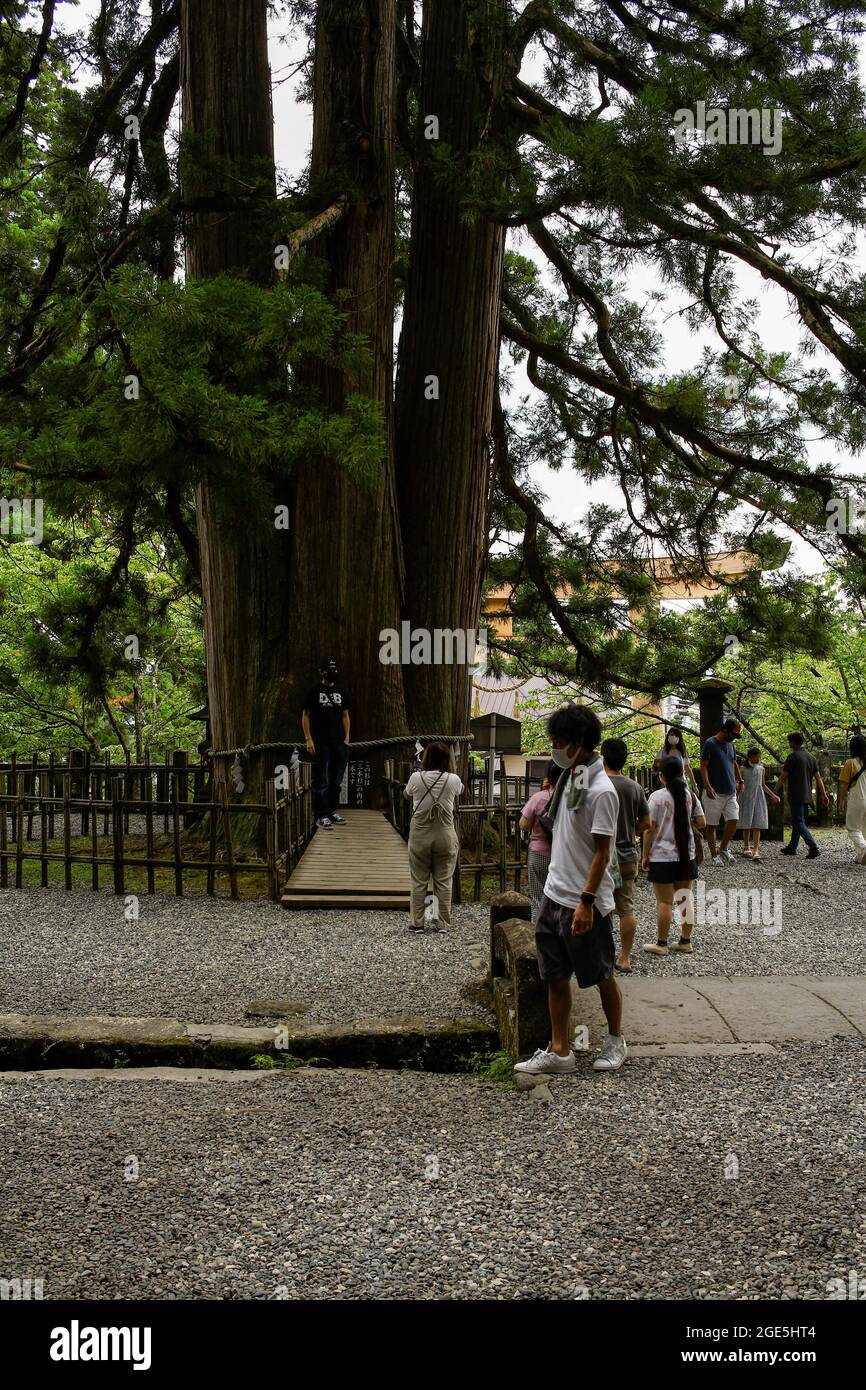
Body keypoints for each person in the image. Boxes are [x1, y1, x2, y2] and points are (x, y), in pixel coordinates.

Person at [514, 704, 627, 1077]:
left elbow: (602, 852)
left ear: (578, 744)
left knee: (600, 974)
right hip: (554, 893)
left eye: (558, 742)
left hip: (584, 902)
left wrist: (587, 902)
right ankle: (560, 1050)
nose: (553, 748)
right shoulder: (570, 779)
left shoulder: (601, 790)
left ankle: (615, 1040)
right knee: (555, 976)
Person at [642, 754, 706, 956]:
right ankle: (685, 941)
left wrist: (644, 855)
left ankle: (662, 944)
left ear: (661, 776)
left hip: (661, 857)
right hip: (687, 855)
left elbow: (649, 829)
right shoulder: (690, 796)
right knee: (685, 899)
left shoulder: (657, 797)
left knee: (664, 902)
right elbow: (702, 822)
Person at [601, 737, 651, 973]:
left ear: (603, 757)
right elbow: (647, 822)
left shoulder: (598, 785)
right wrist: (632, 831)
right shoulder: (634, 787)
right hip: (628, 853)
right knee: (626, 908)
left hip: (602, 855)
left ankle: (601, 954)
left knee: (600, 905)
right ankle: (624, 957)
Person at [404, 743, 463, 932]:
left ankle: (417, 923)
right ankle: (442, 923)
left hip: (420, 835)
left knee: (419, 880)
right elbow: (460, 790)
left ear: (426, 758)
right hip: (445, 834)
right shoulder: (453, 779)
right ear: (447, 759)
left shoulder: (416, 777)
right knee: (444, 880)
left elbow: (407, 794)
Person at [301, 658, 350, 830]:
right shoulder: (314, 691)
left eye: (335, 668)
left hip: (338, 741)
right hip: (320, 741)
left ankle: (331, 811)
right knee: (321, 779)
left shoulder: (341, 692)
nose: (333, 671)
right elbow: (306, 715)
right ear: (322, 672)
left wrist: (347, 738)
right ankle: (321, 815)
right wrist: (308, 739)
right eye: (329, 669)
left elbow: (345, 715)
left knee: (336, 779)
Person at [773, 731, 829, 859]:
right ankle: (792, 847)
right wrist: (823, 794)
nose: (789, 744)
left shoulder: (793, 757)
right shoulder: (811, 758)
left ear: (793, 742)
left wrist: (774, 791)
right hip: (807, 795)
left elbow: (783, 777)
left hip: (796, 795)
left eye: (789, 741)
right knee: (798, 821)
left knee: (798, 822)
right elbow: (818, 778)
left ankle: (813, 847)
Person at [520, 761, 563, 922]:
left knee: (539, 896)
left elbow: (523, 825)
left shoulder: (539, 798)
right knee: (560, 897)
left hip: (539, 852)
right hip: (563, 855)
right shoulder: (570, 799)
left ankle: (540, 931)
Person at [699, 716, 743, 865]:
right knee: (712, 825)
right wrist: (707, 786)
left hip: (730, 791)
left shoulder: (731, 745)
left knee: (734, 819)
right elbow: (703, 766)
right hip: (714, 792)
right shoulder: (710, 744)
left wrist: (740, 780)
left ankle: (723, 848)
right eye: (732, 734)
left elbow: (734, 762)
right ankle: (714, 855)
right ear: (724, 730)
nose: (734, 738)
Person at [738, 747, 780, 860]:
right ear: (750, 757)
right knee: (746, 823)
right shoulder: (742, 769)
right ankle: (746, 846)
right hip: (746, 797)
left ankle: (756, 849)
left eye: (759, 756)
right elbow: (738, 784)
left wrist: (773, 795)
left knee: (757, 823)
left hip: (758, 797)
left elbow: (763, 785)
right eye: (756, 756)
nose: (758, 758)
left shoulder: (761, 769)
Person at [838, 734, 866, 864]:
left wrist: (841, 800)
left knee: (853, 828)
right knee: (864, 829)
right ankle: (860, 857)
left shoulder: (850, 763)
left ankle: (863, 849)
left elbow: (844, 785)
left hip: (857, 799)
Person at [653, 725, 700, 796]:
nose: (673, 736)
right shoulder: (662, 752)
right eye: (671, 734)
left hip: (681, 784)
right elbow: (656, 766)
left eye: (676, 735)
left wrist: (694, 785)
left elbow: (687, 769)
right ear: (668, 736)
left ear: (679, 738)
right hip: (666, 785)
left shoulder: (682, 752)